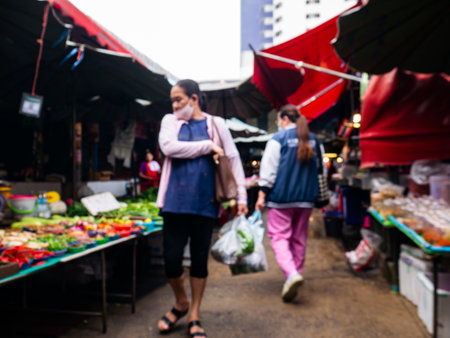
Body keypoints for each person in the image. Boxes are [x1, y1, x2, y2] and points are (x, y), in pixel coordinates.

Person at [156, 79, 248, 337]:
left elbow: (232, 158)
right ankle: (180, 301)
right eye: (172, 100)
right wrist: (207, 146)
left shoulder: (216, 123)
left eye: (179, 100)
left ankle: (194, 313)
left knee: (199, 261)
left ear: (194, 99)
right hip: (174, 202)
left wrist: (242, 197)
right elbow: (169, 148)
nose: (174, 105)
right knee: (171, 260)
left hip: (205, 203)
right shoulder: (169, 122)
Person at [255, 104, 320, 302]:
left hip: (281, 199)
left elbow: (268, 171)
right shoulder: (314, 139)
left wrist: (261, 194)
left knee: (279, 237)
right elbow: (320, 171)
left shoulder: (278, 139)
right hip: (306, 199)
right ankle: (294, 275)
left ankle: (292, 275)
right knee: (299, 239)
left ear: (284, 119)